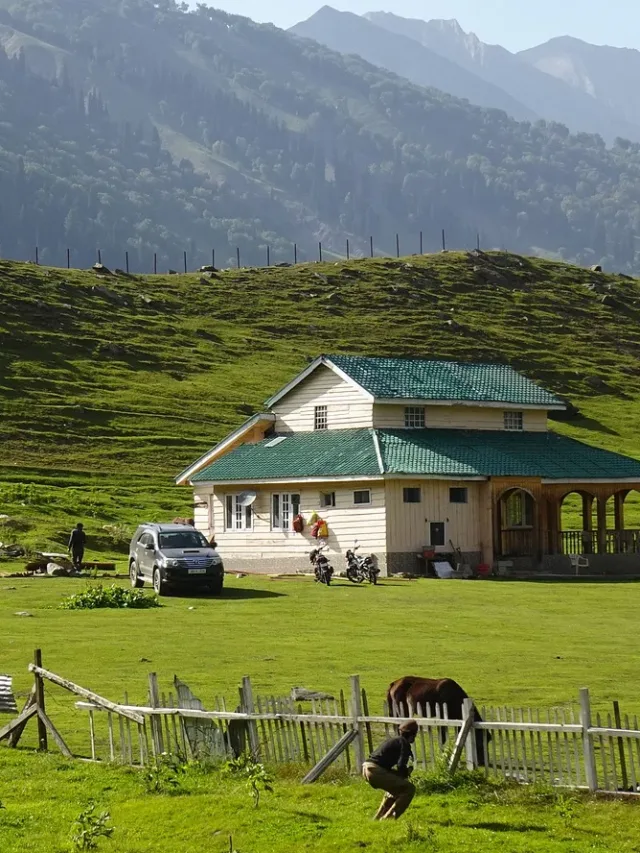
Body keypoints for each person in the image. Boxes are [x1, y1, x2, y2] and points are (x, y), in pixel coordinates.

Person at [362, 720, 418, 820]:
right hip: (375, 770)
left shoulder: (394, 740)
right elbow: (401, 765)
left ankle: (378, 817)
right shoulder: (404, 744)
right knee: (409, 789)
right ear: (413, 735)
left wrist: (400, 775)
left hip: (367, 768)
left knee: (396, 788)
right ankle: (388, 819)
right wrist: (406, 772)